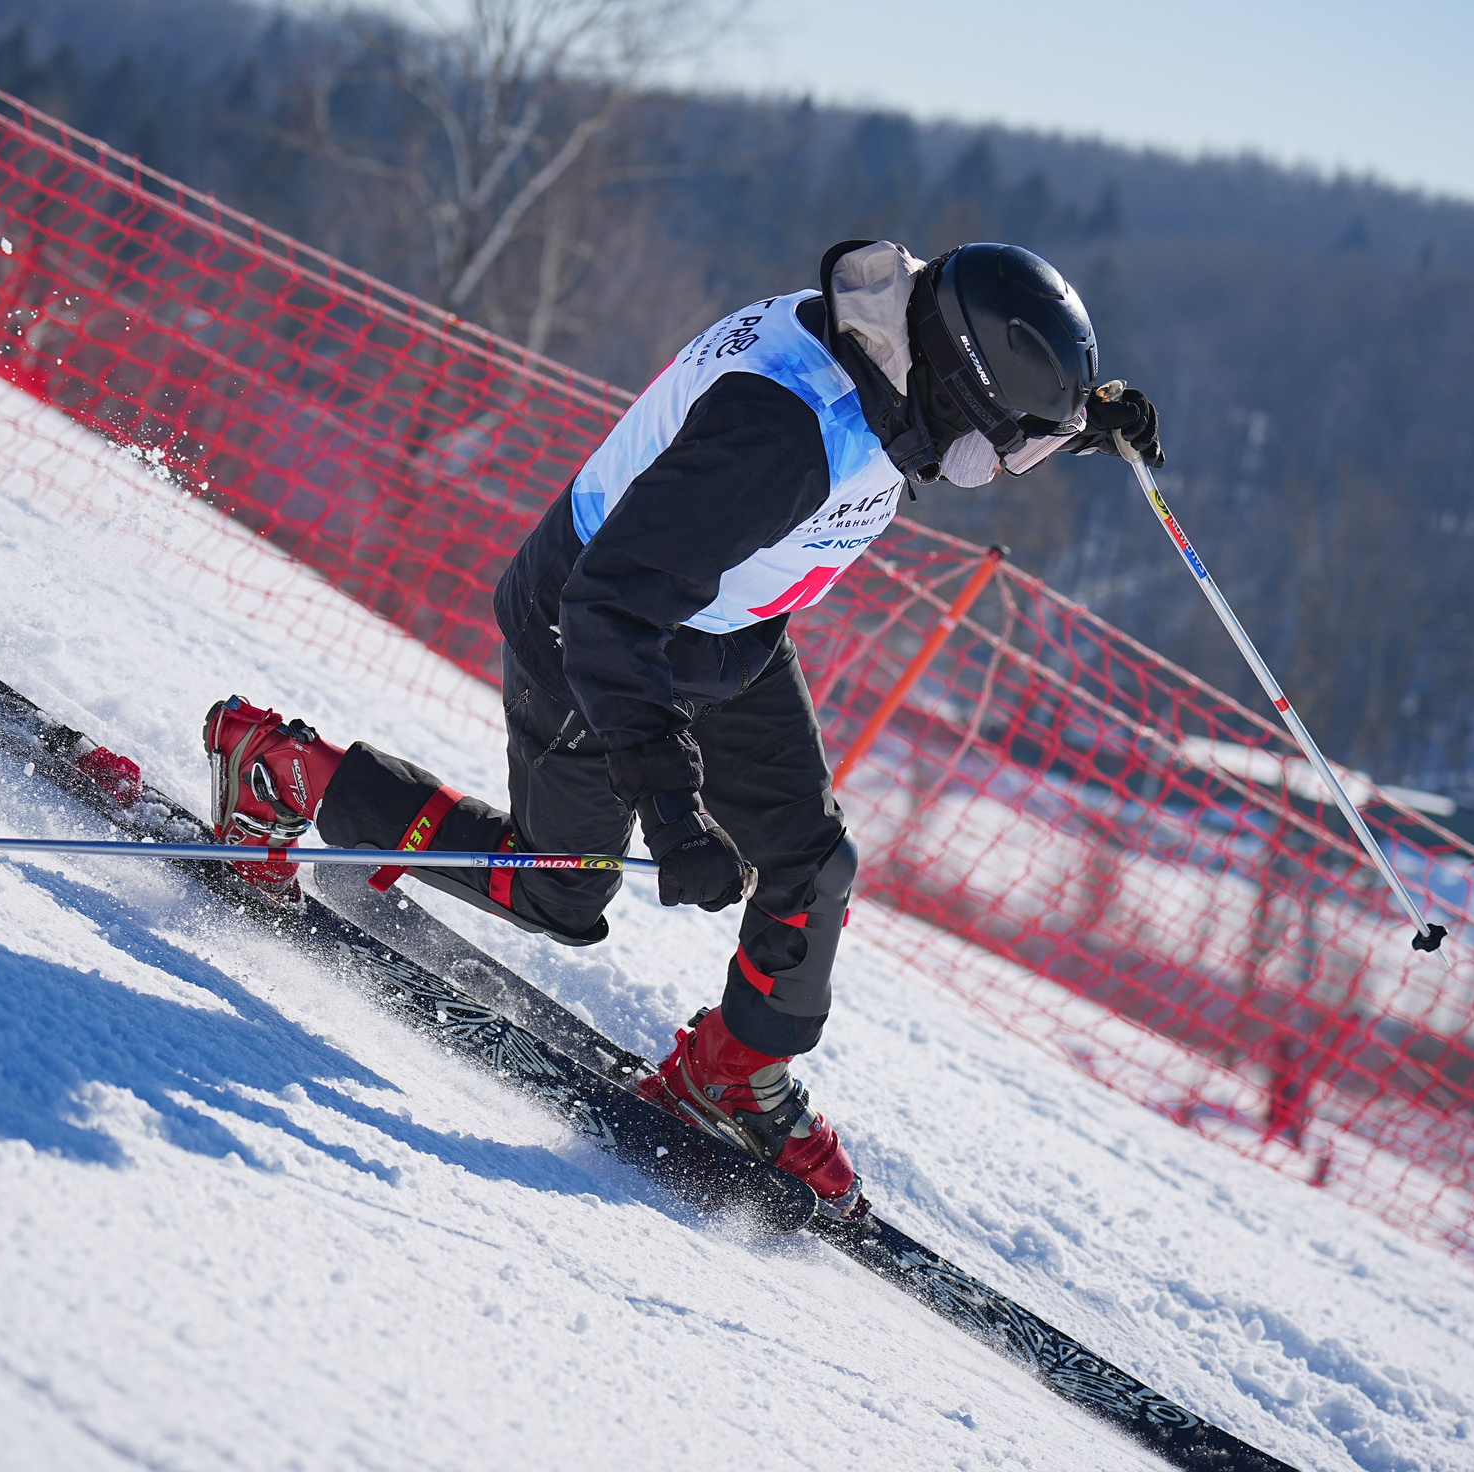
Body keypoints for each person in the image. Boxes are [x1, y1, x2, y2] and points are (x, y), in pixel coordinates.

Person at [197, 240, 1162, 1218]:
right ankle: (288, 776)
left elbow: (953, 403)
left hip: (722, 629)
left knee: (808, 866)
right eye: (1010, 444)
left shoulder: (895, 337)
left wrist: (1082, 420)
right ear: (959, 386)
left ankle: (730, 1075)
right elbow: (610, 608)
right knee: (563, 892)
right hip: (592, 629)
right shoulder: (785, 433)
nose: (1004, 469)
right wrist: (670, 807)